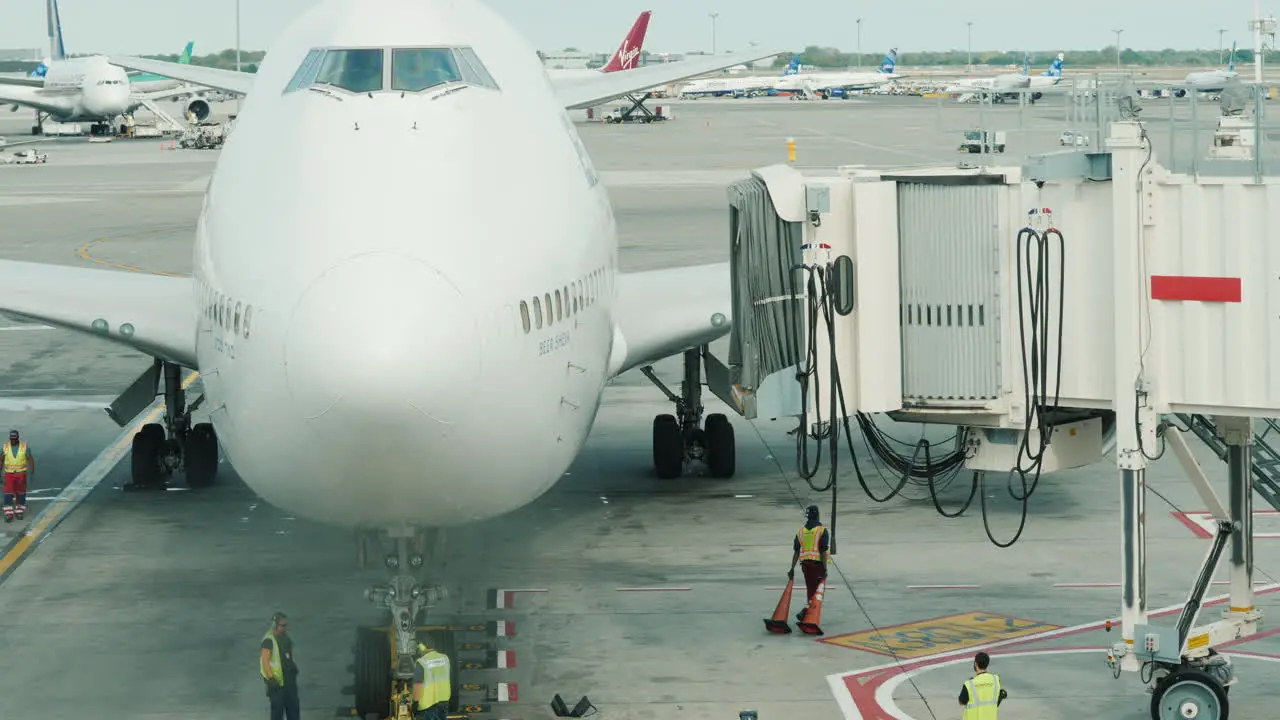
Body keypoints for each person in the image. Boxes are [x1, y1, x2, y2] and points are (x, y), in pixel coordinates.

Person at [788, 504, 830, 622]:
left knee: (811, 590)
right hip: (818, 566)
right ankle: (808, 614)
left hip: (806, 566)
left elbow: (796, 551)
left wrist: (792, 568)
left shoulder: (800, 532)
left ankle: (808, 613)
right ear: (817, 516)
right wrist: (825, 569)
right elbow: (823, 550)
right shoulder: (822, 530)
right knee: (818, 592)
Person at [260, 611, 300, 720]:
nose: (285, 628)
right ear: (275, 625)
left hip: (289, 682)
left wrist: (294, 667)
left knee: (294, 711)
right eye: (282, 625)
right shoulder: (268, 640)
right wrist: (271, 678)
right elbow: (265, 661)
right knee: (277, 714)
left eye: (286, 625)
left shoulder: (286, 638)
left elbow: (288, 656)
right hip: (277, 684)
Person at [958, 651, 1007, 720]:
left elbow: (961, 702)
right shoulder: (996, 680)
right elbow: (994, 701)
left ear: (975, 664)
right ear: (987, 664)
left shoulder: (969, 684)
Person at [412, 640, 452, 720]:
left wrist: (415, 704)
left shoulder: (422, 662)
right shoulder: (445, 658)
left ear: (422, 649)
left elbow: (418, 685)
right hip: (443, 703)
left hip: (427, 707)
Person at [3, 429, 33, 522]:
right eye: (11, 438)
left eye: (14, 438)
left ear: (18, 438)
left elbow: (30, 459)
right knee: (7, 493)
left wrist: (32, 471)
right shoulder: (5, 447)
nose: (13, 440)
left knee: (21, 493)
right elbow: (1, 460)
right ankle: (9, 514)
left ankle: (19, 511)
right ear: (10, 438)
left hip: (21, 473)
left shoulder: (24, 447)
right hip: (9, 473)